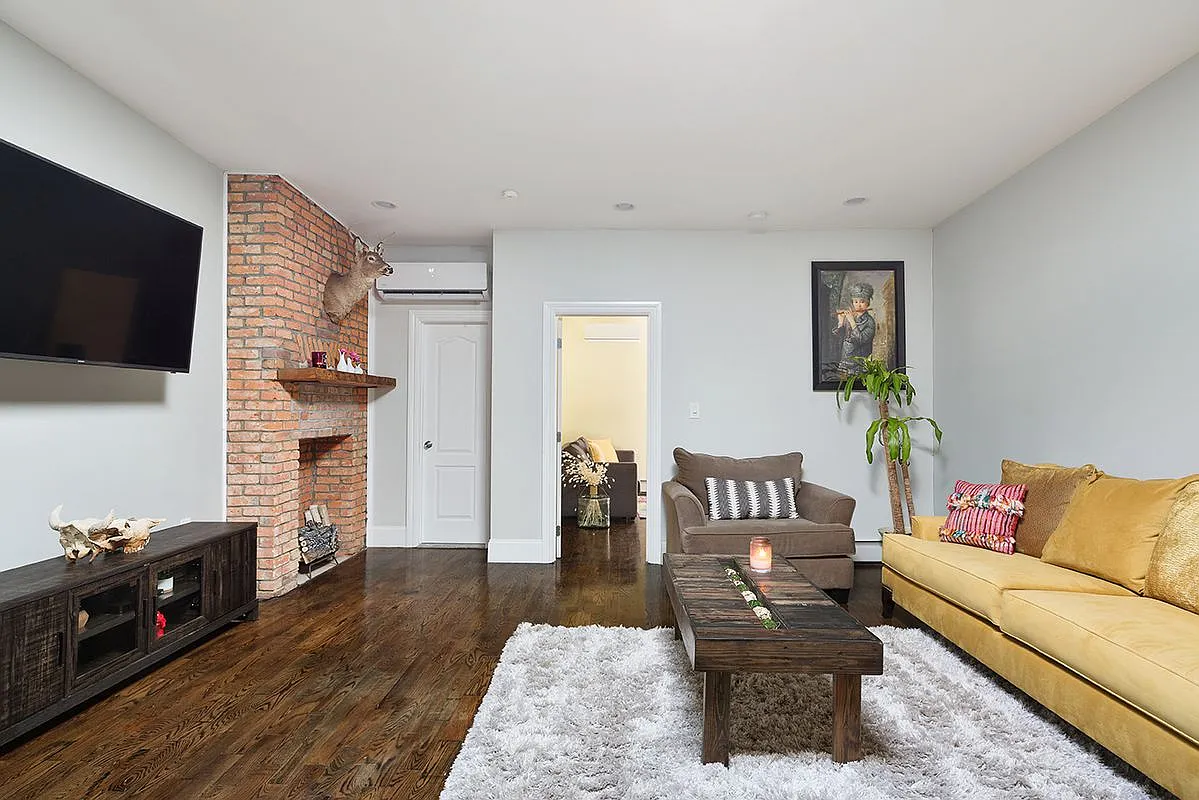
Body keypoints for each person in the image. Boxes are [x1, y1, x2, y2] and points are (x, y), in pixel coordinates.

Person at [834, 282, 876, 373]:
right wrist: (841, 322)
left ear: (868, 303)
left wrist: (852, 322)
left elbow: (861, 339)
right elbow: (840, 337)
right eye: (856, 302)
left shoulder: (869, 321)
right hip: (845, 360)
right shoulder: (851, 317)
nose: (858, 305)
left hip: (859, 363)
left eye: (862, 301)